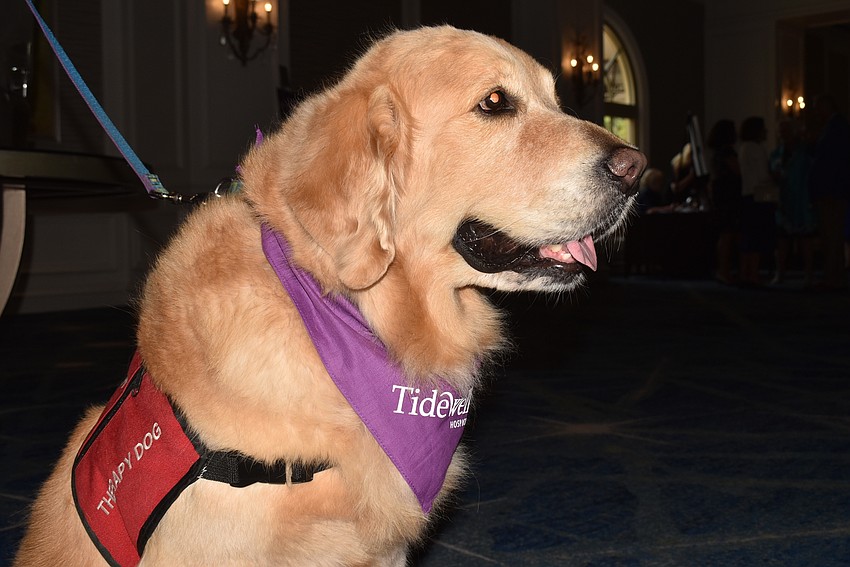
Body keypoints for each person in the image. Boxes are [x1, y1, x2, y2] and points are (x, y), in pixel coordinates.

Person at [807, 94, 850, 291]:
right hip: (832, 189)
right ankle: (834, 276)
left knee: (832, 236)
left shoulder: (837, 128)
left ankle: (833, 278)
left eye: (817, 108)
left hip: (832, 190)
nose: (816, 113)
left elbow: (833, 161)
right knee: (831, 236)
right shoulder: (833, 128)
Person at [769, 119, 816, 286]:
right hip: (784, 202)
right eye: (781, 130)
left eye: (786, 130)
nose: (783, 134)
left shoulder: (804, 152)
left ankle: (809, 275)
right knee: (782, 240)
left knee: (805, 240)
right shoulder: (776, 154)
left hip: (802, 201)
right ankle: (780, 273)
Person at [738, 116, 777, 287]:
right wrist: (776, 177)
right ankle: (753, 274)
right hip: (759, 196)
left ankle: (745, 273)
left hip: (746, 194)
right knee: (757, 236)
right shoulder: (756, 148)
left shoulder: (743, 148)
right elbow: (762, 176)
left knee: (748, 236)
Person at [706, 119, 742, 284]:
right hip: (729, 194)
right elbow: (738, 171)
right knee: (727, 233)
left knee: (725, 233)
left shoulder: (716, 154)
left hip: (722, 194)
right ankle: (724, 270)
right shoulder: (727, 153)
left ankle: (724, 269)